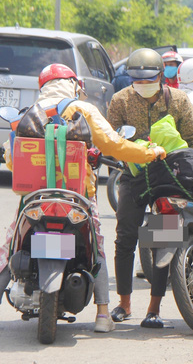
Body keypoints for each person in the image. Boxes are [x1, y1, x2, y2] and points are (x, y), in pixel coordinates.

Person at [0, 64, 166, 333]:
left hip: (36, 199)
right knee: (96, 246)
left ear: (43, 86)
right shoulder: (83, 109)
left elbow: (11, 158)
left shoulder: (27, 115)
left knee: (10, 244)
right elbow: (115, 145)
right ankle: (103, 314)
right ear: (74, 84)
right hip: (78, 197)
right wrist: (151, 152)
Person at [107, 48, 193, 329]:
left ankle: (154, 308)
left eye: (148, 79)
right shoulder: (120, 100)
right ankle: (124, 303)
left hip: (169, 177)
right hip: (134, 176)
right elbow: (111, 139)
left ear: (161, 76)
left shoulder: (179, 100)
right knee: (125, 238)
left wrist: (192, 170)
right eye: (137, 79)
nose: (143, 84)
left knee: (161, 241)